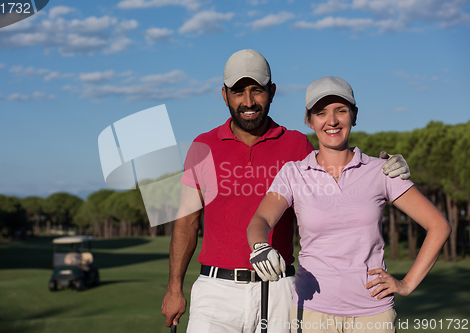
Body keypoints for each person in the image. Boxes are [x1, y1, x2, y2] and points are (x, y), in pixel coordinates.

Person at [161, 50, 410, 333]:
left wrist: (384, 169)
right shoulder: (202, 146)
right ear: (224, 95)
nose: (248, 101)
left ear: (272, 91)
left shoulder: (297, 145)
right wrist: (174, 289)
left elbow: (342, 185)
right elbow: (186, 222)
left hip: (280, 291)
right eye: (238, 92)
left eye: (257, 90)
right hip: (217, 292)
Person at [247, 76, 451, 333]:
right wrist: (259, 246)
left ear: (354, 116)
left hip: (373, 315)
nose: (331, 121)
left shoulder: (381, 171)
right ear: (309, 120)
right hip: (312, 313)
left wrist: (407, 284)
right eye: (321, 113)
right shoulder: (294, 173)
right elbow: (261, 220)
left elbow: (438, 226)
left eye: (341, 111)